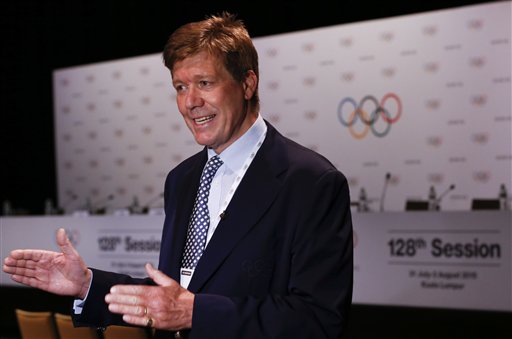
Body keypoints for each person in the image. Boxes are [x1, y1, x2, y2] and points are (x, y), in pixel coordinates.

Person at [3, 12, 353, 339]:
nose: (190, 102)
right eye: (180, 87)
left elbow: (318, 317)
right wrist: (88, 285)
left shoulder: (311, 182)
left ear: (247, 84)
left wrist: (195, 313)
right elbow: (173, 295)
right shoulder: (182, 179)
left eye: (204, 82)